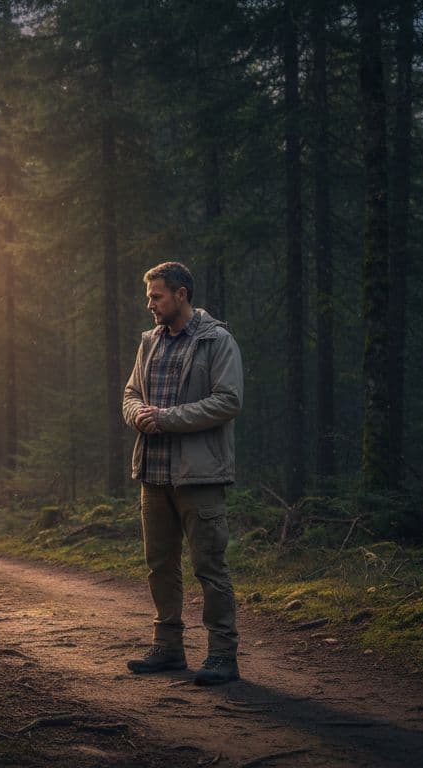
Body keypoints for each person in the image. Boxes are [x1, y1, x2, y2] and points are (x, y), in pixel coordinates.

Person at [121, 261, 244, 685]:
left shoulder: (217, 341)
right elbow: (131, 392)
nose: (150, 304)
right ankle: (168, 648)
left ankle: (223, 655)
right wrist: (137, 413)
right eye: (149, 296)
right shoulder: (149, 342)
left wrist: (168, 418)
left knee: (209, 566)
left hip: (200, 476)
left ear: (181, 295)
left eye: (157, 296)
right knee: (160, 565)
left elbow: (228, 401)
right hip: (153, 474)